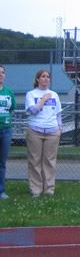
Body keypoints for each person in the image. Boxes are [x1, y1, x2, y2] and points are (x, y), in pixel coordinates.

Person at [25, 69, 62, 197]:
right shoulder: (31, 94)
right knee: (35, 160)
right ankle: (36, 189)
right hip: (35, 130)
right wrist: (42, 100)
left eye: (48, 77)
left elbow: (58, 114)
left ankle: (49, 189)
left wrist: (59, 128)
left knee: (49, 161)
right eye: (43, 76)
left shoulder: (54, 94)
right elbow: (33, 111)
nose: (46, 79)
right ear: (37, 79)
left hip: (52, 131)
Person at [0, 65, 16, 200]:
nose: (1, 75)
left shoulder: (9, 92)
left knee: (2, 163)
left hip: (5, 130)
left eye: (2, 72)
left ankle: (1, 191)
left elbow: (11, 109)